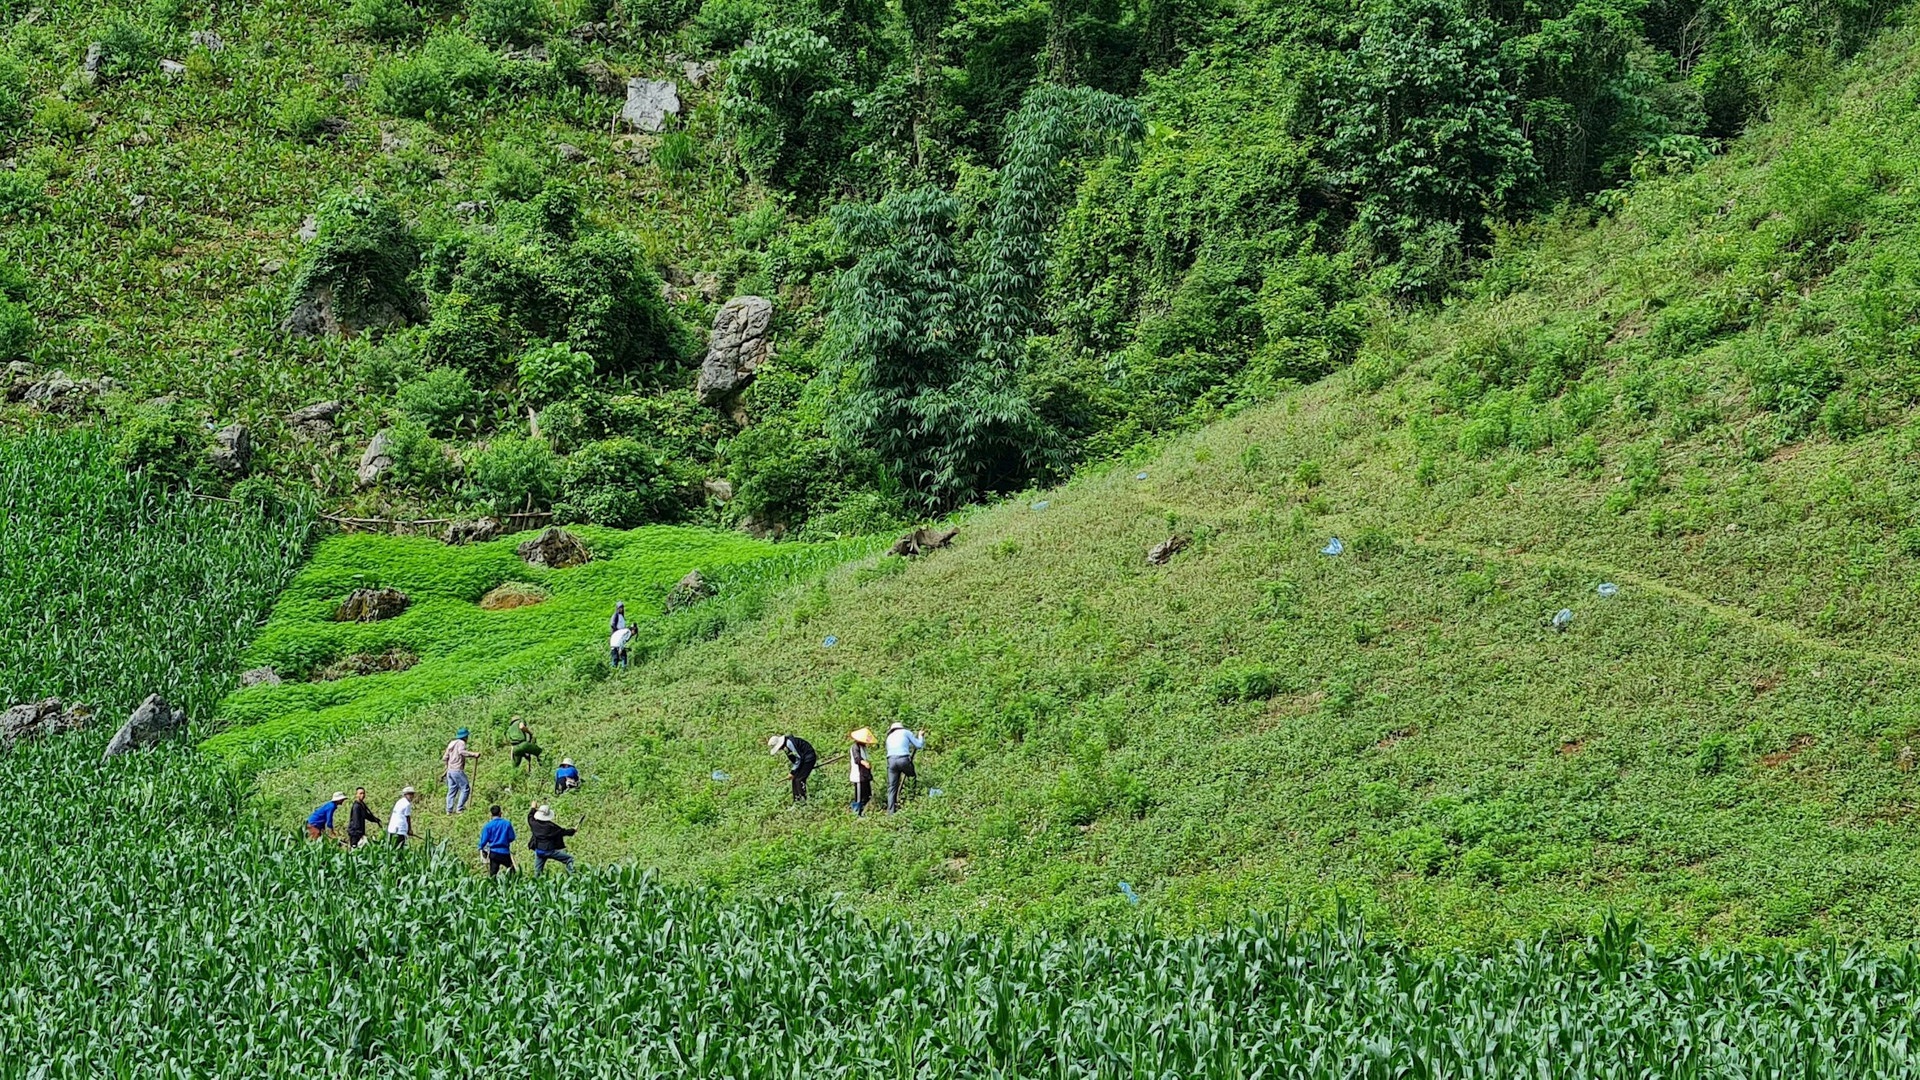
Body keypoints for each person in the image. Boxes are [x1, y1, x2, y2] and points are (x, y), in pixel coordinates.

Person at [884, 722, 925, 814]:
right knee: (911, 777)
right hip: (903, 759)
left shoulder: (889, 737)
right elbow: (919, 745)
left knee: (892, 787)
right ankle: (911, 799)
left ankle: (891, 812)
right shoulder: (906, 732)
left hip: (891, 761)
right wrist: (920, 736)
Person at [527, 802, 577, 876]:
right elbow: (563, 832)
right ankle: (573, 876)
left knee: (537, 872)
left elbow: (530, 816)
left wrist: (533, 808)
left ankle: (535, 884)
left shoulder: (534, 824)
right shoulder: (551, 827)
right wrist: (573, 830)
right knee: (569, 859)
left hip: (539, 851)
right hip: (549, 851)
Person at [769, 733, 817, 803]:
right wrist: (794, 772)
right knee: (794, 779)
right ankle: (797, 800)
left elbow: (799, 758)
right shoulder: (786, 747)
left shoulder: (789, 744)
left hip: (809, 758)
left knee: (799, 779)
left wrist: (793, 772)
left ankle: (803, 801)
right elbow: (795, 760)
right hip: (803, 760)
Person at [444, 727, 479, 815]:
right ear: (465, 737)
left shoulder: (451, 743)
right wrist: (473, 754)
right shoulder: (461, 743)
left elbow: (445, 757)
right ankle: (459, 809)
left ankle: (449, 810)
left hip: (450, 770)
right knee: (465, 788)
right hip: (457, 770)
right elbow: (461, 752)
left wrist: (447, 767)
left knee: (452, 790)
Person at [478, 804, 517, 876]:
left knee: (493, 874)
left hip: (494, 853)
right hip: (505, 852)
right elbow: (512, 837)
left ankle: (493, 886)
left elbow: (483, 841)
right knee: (512, 873)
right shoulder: (507, 824)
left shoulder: (488, 826)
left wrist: (481, 848)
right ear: (500, 813)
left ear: (491, 814)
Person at [848, 728, 875, 816]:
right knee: (859, 797)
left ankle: (863, 812)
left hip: (865, 776)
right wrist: (865, 763)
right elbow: (857, 759)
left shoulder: (863, 748)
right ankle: (856, 813)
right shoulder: (855, 747)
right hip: (858, 776)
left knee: (867, 795)